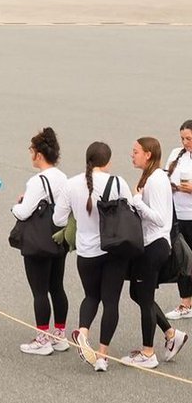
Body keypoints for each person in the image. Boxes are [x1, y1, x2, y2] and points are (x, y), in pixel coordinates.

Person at [53, 142, 133, 374]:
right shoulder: (117, 182)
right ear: (108, 162)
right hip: (113, 250)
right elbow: (131, 210)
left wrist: (75, 216)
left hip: (86, 252)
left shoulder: (71, 184)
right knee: (111, 302)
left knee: (91, 296)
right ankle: (102, 356)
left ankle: (83, 331)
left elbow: (59, 219)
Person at [125, 137, 187, 369]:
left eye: (136, 151)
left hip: (155, 246)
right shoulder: (151, 177)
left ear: (148, 154)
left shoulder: (157, 179)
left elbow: (160, 219)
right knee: (137, 292)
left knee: (144, 297)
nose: (132, 155)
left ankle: (148, 352)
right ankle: (172, 334)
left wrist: (137, 201)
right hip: (148, 245)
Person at [11, 127, 70, 357]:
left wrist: (14, 206)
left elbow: (24, 212)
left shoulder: (37, 181)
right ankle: (60, 334)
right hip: (58, 238)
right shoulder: (62, 177)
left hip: (38, 241)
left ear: (38, 154)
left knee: (39, 290)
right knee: (57, 286)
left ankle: (42, 337)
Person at [164, 120, 192, 320]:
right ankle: (186, 302)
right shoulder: (176, 154)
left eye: (189, 138)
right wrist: (172, 186)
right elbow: (165, 178)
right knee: (182, 259)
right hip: (177, 215)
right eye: (182, 138)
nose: (185, 142)